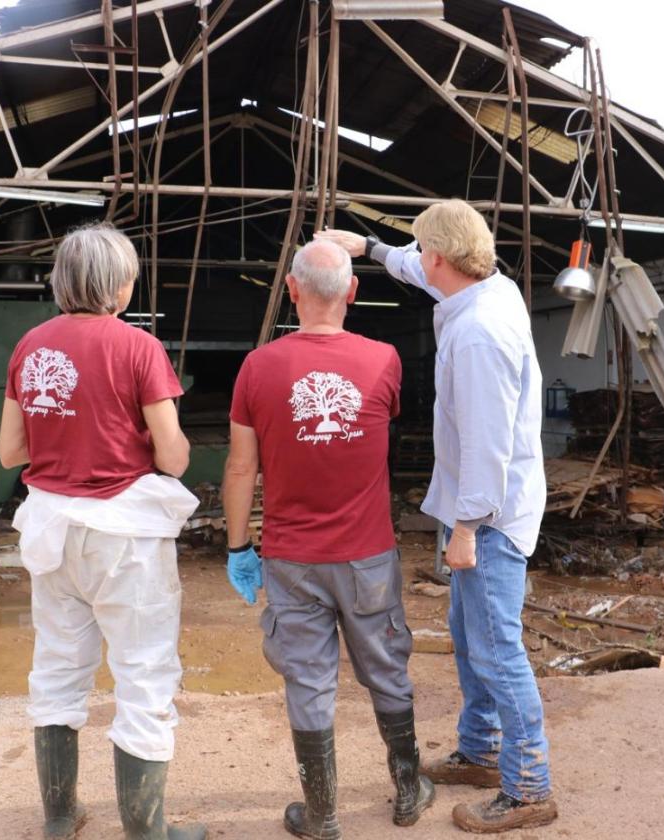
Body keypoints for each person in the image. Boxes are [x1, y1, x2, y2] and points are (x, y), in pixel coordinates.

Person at [316, 200, 557, 834]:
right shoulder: (485, 286)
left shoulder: (479, 334)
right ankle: (480, 749)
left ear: (441, 257)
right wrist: (367, 247)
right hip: (478, 504)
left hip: (491, 516)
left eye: (422, 250)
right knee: (469, 630)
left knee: (497, 646)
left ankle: (529, 786)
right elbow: (415, 268)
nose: (418, 259)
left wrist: (468, 530)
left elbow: (486, 443)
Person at [222, 239, 434, 840]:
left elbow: (241, 469)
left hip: (291, 559)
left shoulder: (258, 368)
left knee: (308, 681)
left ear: (292, 290)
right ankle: (407, 790)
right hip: (368, 554)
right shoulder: (384, 360)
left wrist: (240, 548)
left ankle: (322, 814)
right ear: (353, 292)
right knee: (387, 668)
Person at [0, 222, 205, 840]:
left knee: (58, 667)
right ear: (119, 285)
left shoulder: (30, 346)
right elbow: (172, 459)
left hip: (51, 529)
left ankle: (60, 816)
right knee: (143, 671)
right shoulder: (138, 347)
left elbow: (11, 451)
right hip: (125, 535)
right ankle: (147, 830)